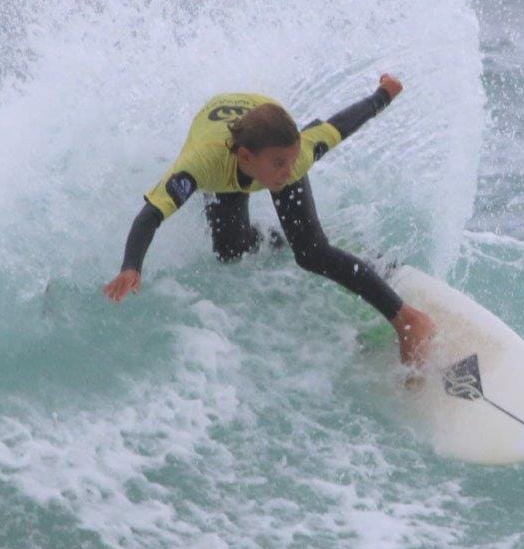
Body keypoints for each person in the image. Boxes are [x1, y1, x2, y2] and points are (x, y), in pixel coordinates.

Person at [103, 73, 435, 364]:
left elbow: (337, 127)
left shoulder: (293, 158)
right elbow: (150, 215)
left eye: (291, 161)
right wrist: (131, 266)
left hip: (264, 123)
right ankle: (282, 238)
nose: (289, 172)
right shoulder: (202, 165)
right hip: (221, 138)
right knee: (230, 252)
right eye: (279, 164)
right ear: (247, 157)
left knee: (312, 253)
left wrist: (383, 94)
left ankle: (409, 321)